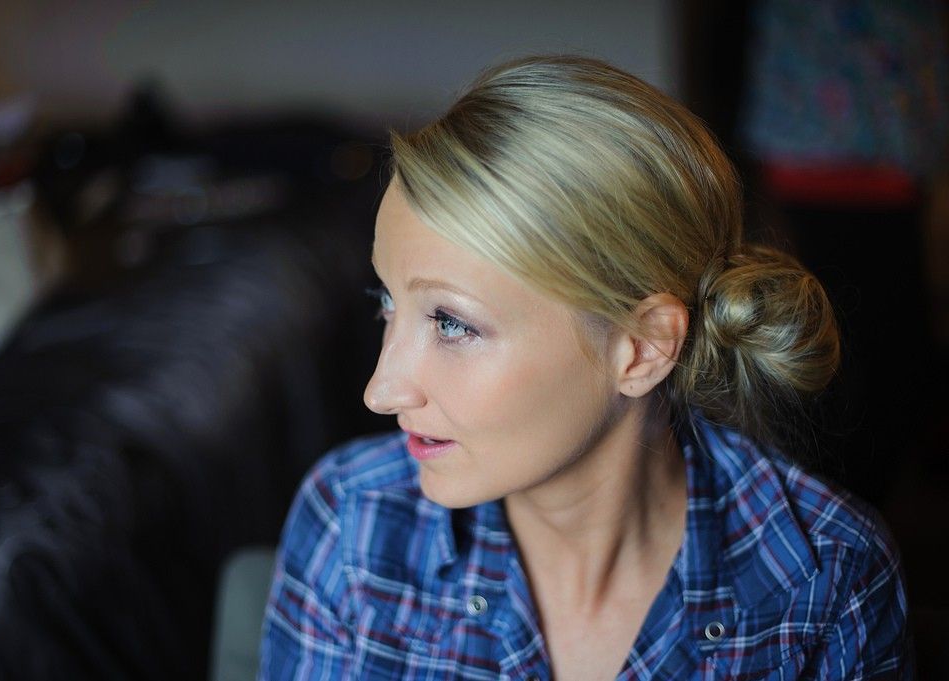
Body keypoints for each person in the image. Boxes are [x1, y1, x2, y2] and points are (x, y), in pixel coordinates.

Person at [258, 55, 911, 680]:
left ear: (642, 347)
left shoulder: (827, 579)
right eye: (387, 304)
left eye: (453, 323)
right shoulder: (351, 525)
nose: (381, 389)